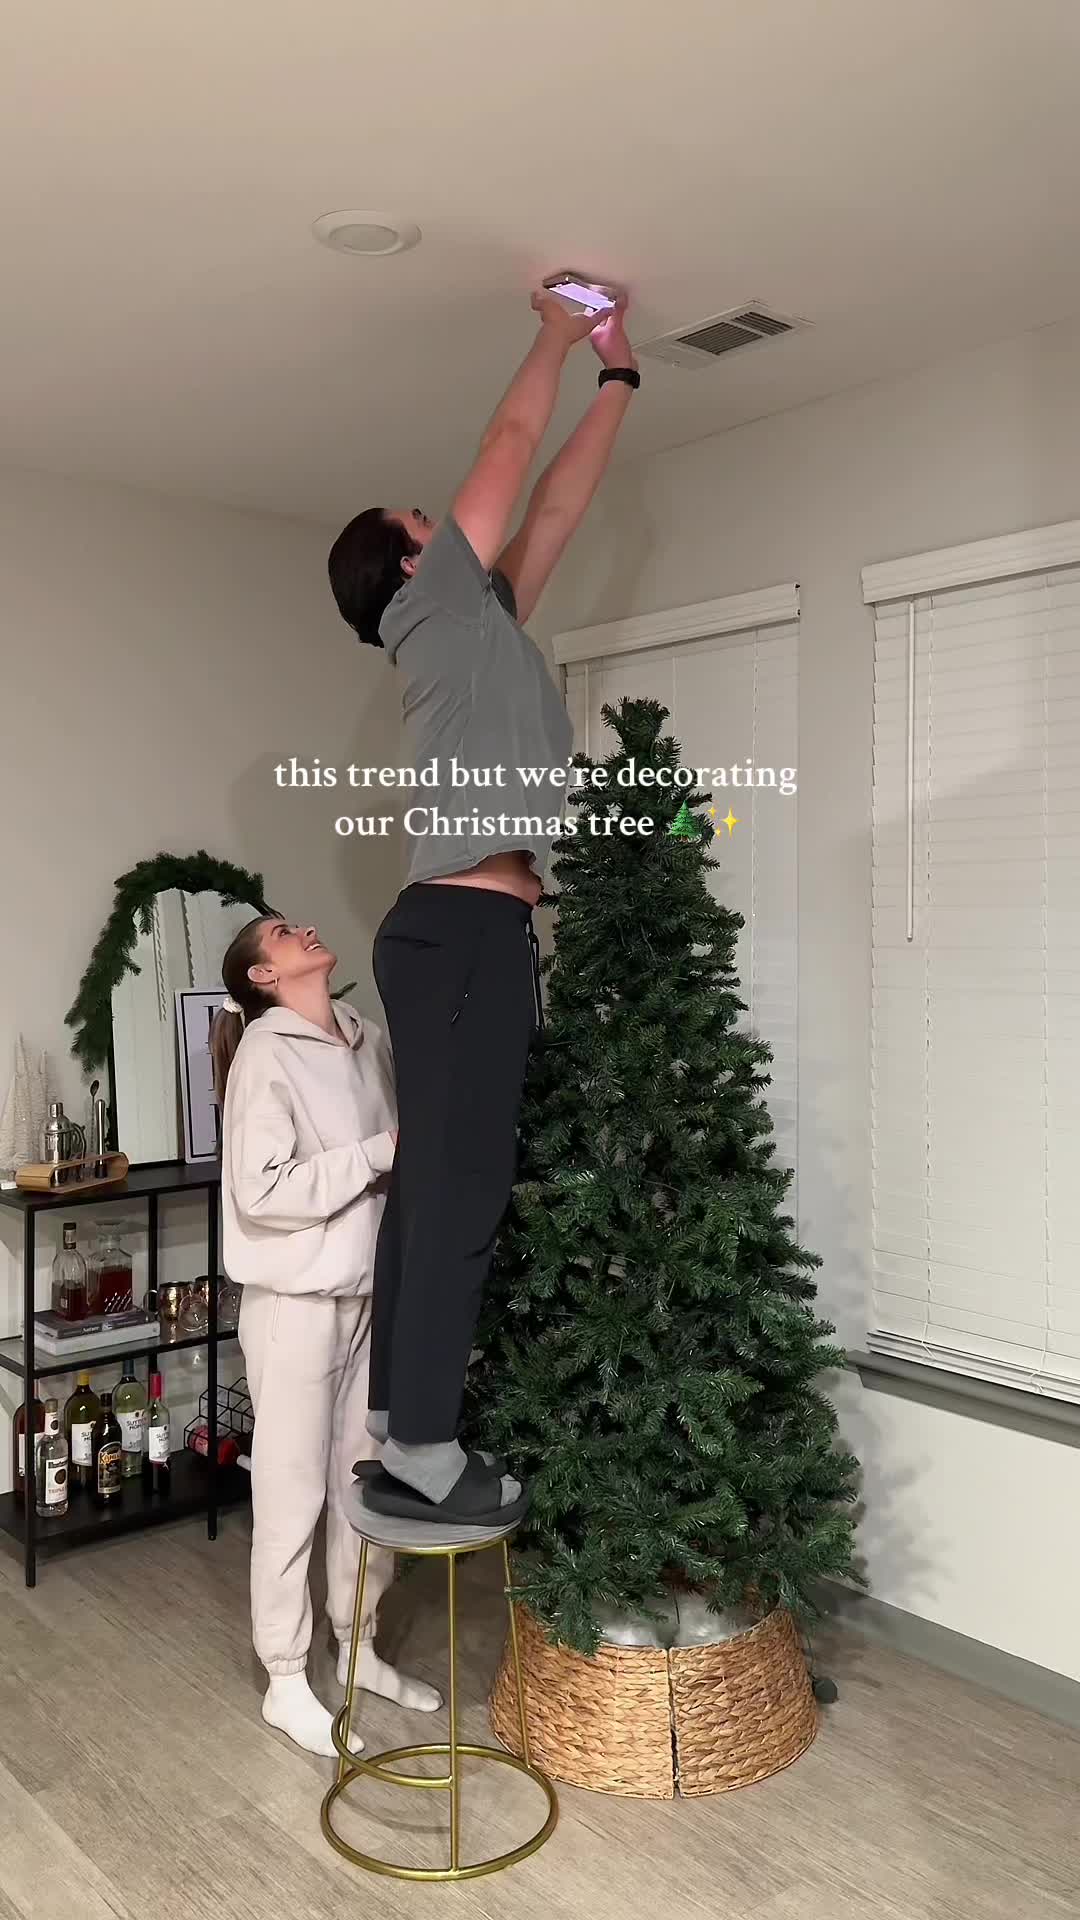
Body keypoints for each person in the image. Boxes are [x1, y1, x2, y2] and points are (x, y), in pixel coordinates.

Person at [327, 290, 641, 1530]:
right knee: (460, 1189)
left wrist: (619, 380)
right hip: (462, 936)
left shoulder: (479, 619)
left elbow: (553, 504)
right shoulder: (433, 606)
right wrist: (557, 331)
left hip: (463, 934)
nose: (445, 518)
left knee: (438, 1181)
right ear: (413, 561)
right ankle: (423, 1443)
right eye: (428, 519)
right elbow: (509, 452)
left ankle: (396, 1421)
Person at [211, 913, 441, 1756]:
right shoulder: (265, 1053)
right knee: (291, 1492)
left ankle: (358, 1647)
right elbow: (263, 1190)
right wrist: (378, 1153)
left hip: (373, 1294)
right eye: (281, 932)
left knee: (360, 1483)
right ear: (262, 976)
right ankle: (284, 1677)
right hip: (296, 1305)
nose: (303, 928)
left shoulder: (365, 1035)